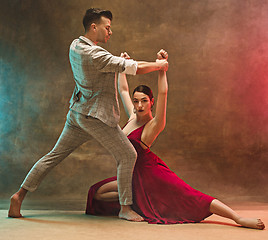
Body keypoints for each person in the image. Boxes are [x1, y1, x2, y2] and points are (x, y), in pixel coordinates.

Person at [8, 8, 168, 221]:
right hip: (96, 117)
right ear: (94, 26)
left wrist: (118, 62)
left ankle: (19, 196)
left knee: (54, 155)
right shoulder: (96, 54)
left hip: (77, 113)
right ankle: (125, 208)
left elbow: (108, 66)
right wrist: (159, 66)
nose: (110, 32)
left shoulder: (75, 45)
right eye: (107, 27)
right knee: (128, 154)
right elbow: (135, 68)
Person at [85, 50, 265, 230]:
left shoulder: (154, 125)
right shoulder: (132, 116)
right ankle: (136, 202)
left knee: (192, 196)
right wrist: (122, 66)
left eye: (144, 101)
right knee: (97, 194)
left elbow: (163, 93)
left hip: (151, 174)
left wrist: (161, 68)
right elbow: (123, 89)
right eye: (136, 101)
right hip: (132, 177)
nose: (139, 105)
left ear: (151, 102)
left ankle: (238, 218)